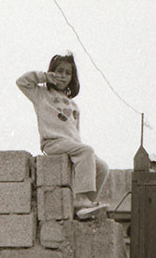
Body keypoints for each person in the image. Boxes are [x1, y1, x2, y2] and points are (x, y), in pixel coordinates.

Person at [16, 52, 109, 219]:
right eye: (59, 71)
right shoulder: (41, 94)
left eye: (68, 72)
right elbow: (22, 82)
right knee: (87, 151)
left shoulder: (73, 104)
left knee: (102, 167)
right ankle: (80, 200)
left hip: (71, 144)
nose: (63, 76)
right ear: (52, 72)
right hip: (53, 142)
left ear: (72, 77)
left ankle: (86, 204)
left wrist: (80, 154)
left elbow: (75, 132)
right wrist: (44, 77)